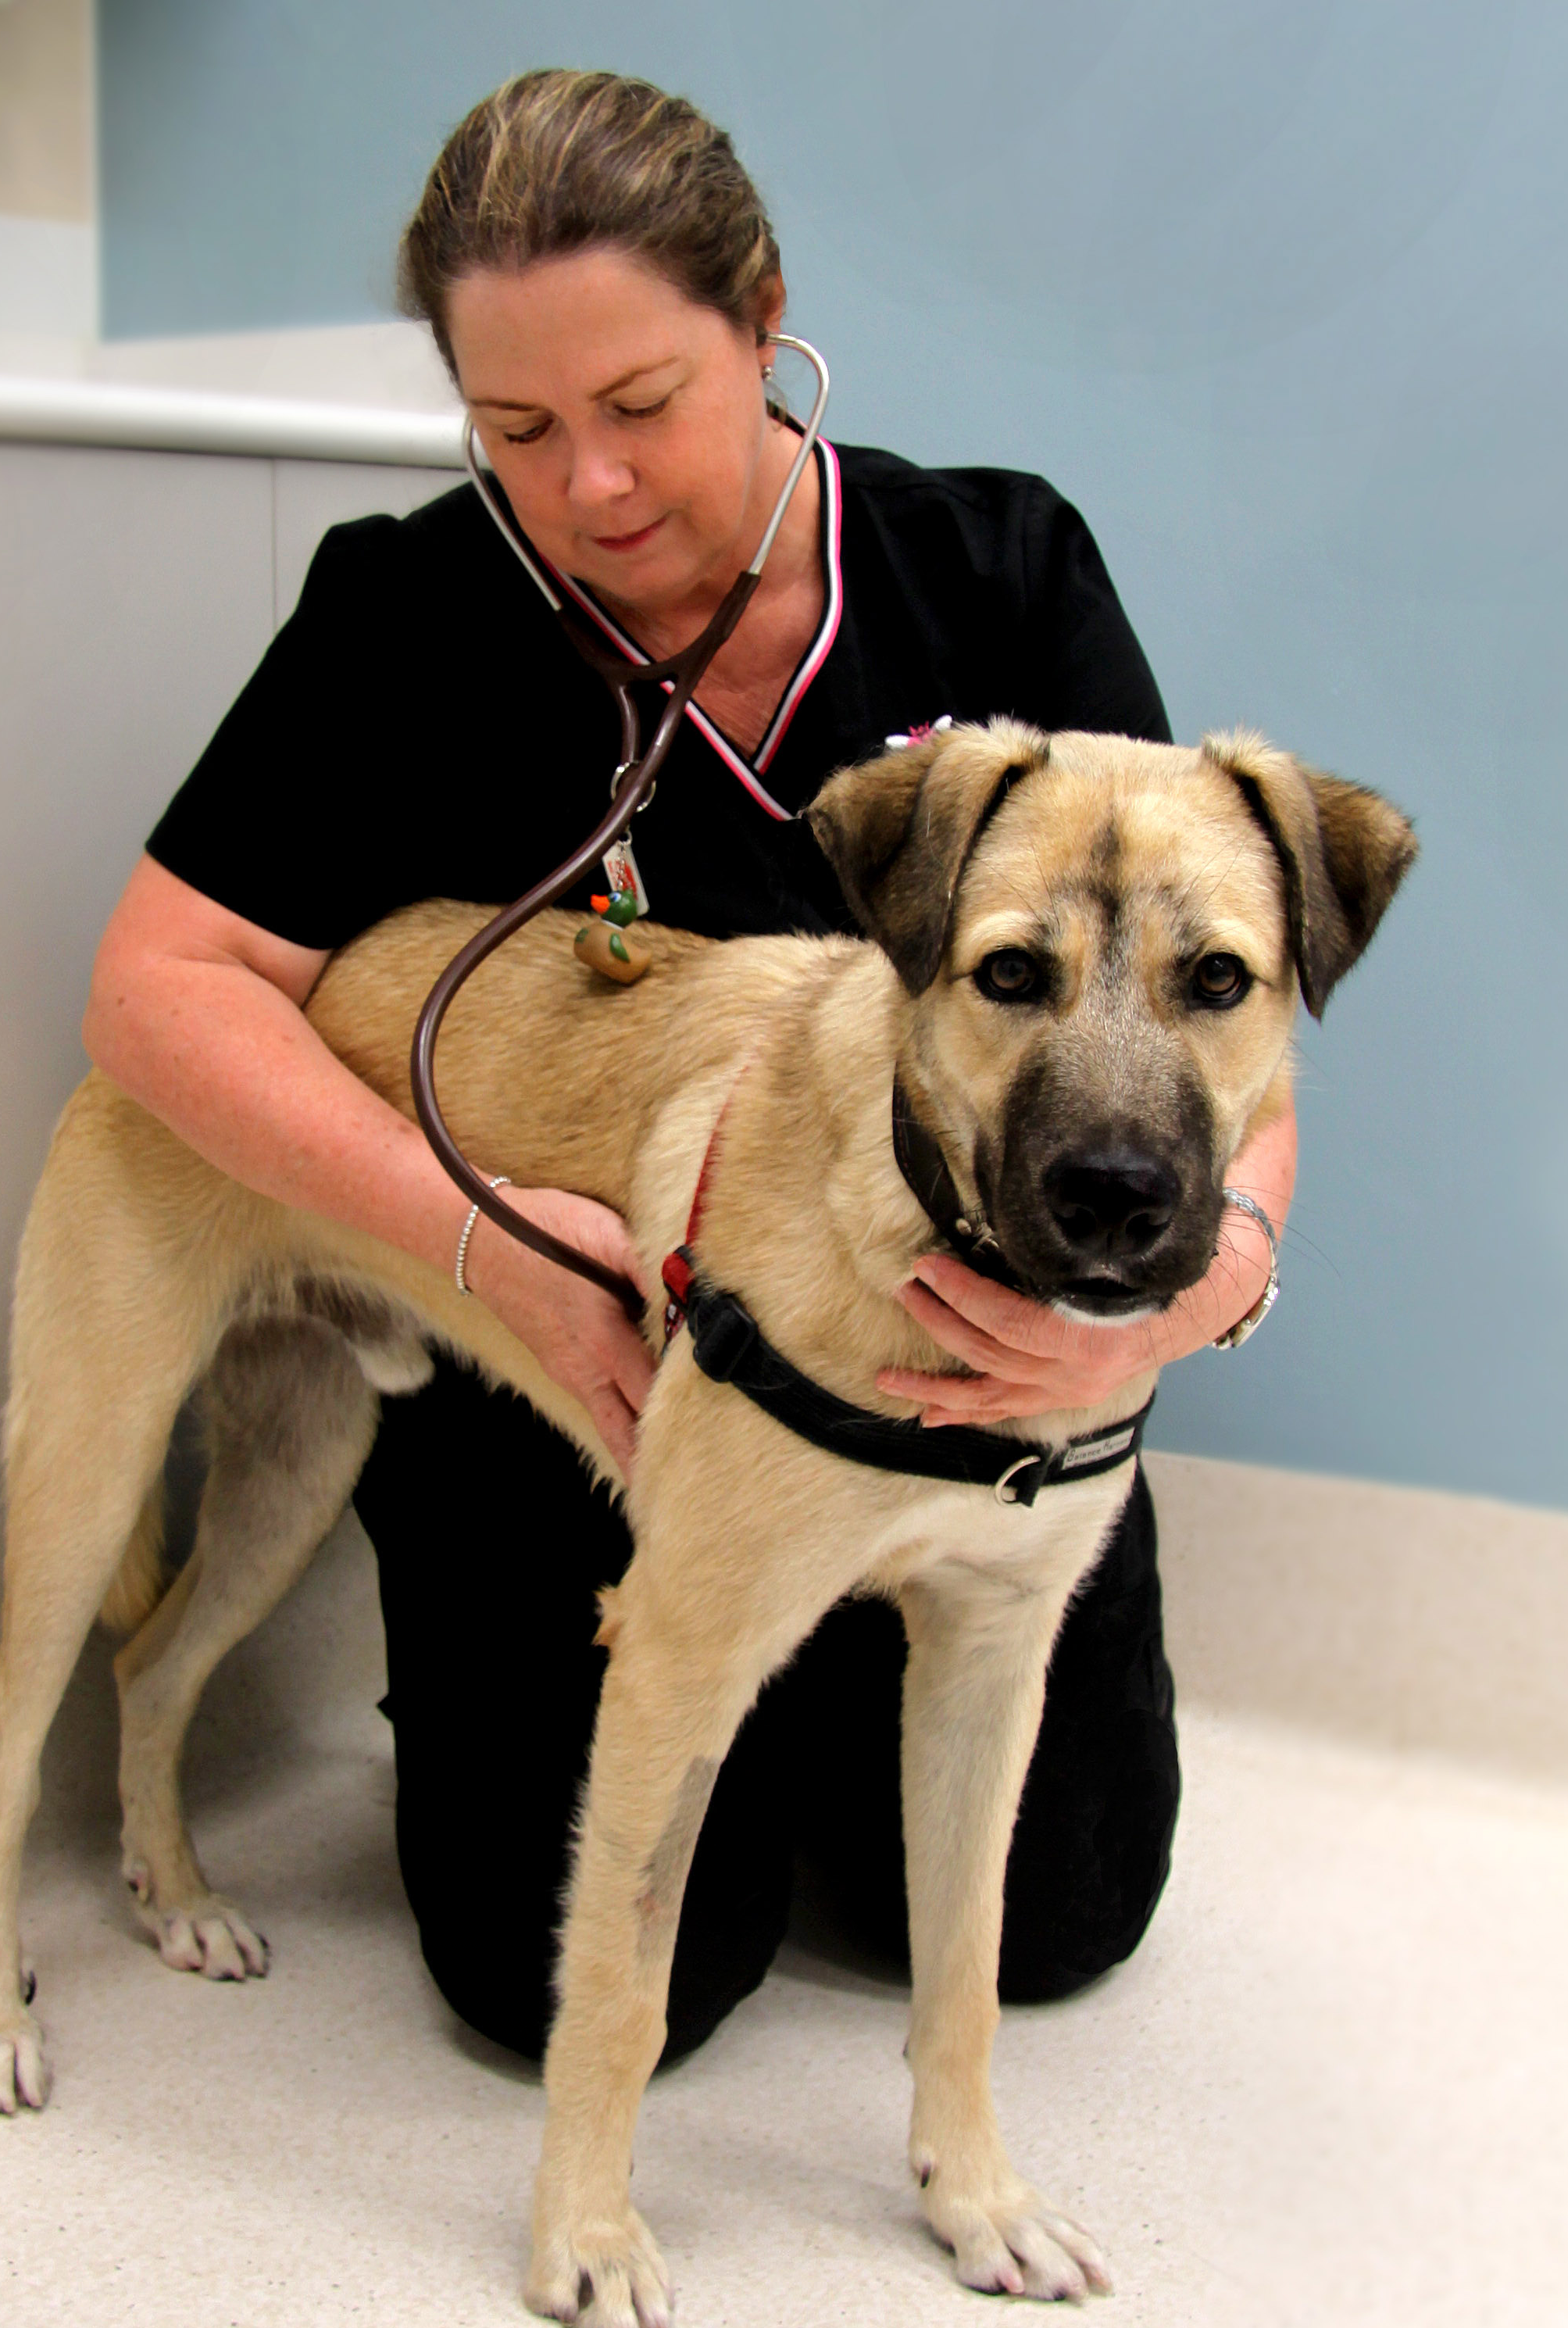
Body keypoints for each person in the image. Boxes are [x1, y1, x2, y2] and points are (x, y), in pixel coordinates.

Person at [84, 71, 1295, 2065]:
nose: (592, 490)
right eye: (517, 428)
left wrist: (1202, 1292)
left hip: (958, 1374)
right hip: (581, 1380)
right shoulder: (410, 610)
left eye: (643, 403)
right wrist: (489, 1248)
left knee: (1056, 1913)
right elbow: (158, 986)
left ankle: (837, 1662)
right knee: (577, 1975)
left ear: (764, 316)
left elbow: (1197, 998)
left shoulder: (987, 572)